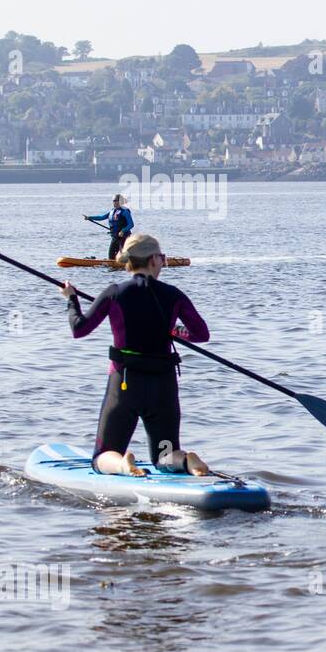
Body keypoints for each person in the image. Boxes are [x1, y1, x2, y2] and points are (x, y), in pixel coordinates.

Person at [61, 234, 211, 476]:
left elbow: (79, 329)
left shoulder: (114, 293)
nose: (164, 263)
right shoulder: (174, 295)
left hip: (125, 385)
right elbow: (201, 334)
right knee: (164, 454)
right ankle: (185, 460)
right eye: (163, 258)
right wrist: (176, 331)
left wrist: (72, 300)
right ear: (152, 260)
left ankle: (121, 463)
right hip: (163, 385)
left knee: (103, 455)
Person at [84, 194, 135, 261]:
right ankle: (115, 265)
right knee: (111, 256)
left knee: (122, 256)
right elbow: (101, 217)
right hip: (115, 237)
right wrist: (89, 217)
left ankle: (129, 263)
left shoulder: (125, 212)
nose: (114, 202)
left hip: (123, 237)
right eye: (113, 201)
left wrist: (123, 231)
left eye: (115, 201)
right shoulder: (112, 211)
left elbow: (131, 224)